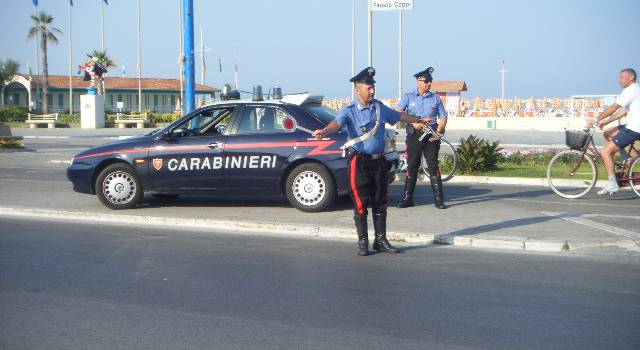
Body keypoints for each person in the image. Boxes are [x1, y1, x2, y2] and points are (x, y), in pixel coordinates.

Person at [312, 67, 430, 256]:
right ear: (358, 89)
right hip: (359, 163)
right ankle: (363, 241)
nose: (373, 91)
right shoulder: (349, 110)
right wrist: (324, 132)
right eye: (369, 87)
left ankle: (381, 240)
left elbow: (399, 116)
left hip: (379, 162)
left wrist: (418, 119)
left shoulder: (379, 107)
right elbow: (337, 124)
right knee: (360, 202)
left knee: (380, 201)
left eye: (373, 87)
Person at [396, 67, 448, 209]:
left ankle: (439, 199)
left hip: (431, 134)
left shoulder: (435, 98)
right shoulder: (408, 97)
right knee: (412, 165)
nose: (429, 84)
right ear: (418, 82)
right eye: (426, 81)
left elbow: (443, 116)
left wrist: (440, 130)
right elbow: (399, 113)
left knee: (433, 165)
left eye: (430, 81)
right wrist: (414, 122)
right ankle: (407, 198)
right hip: (414, 135)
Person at [594, 68, 640, 195]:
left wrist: (597, 118)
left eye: (621, 77)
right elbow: (623, 111)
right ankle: (626, 158)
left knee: (605, 152)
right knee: (608, 133)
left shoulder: (630, 90)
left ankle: (613, 184)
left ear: (631, 78)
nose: (619, 80)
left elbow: (614, 107)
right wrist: (607, 121)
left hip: (635, 128)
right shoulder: (636, 89)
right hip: (632, 126)